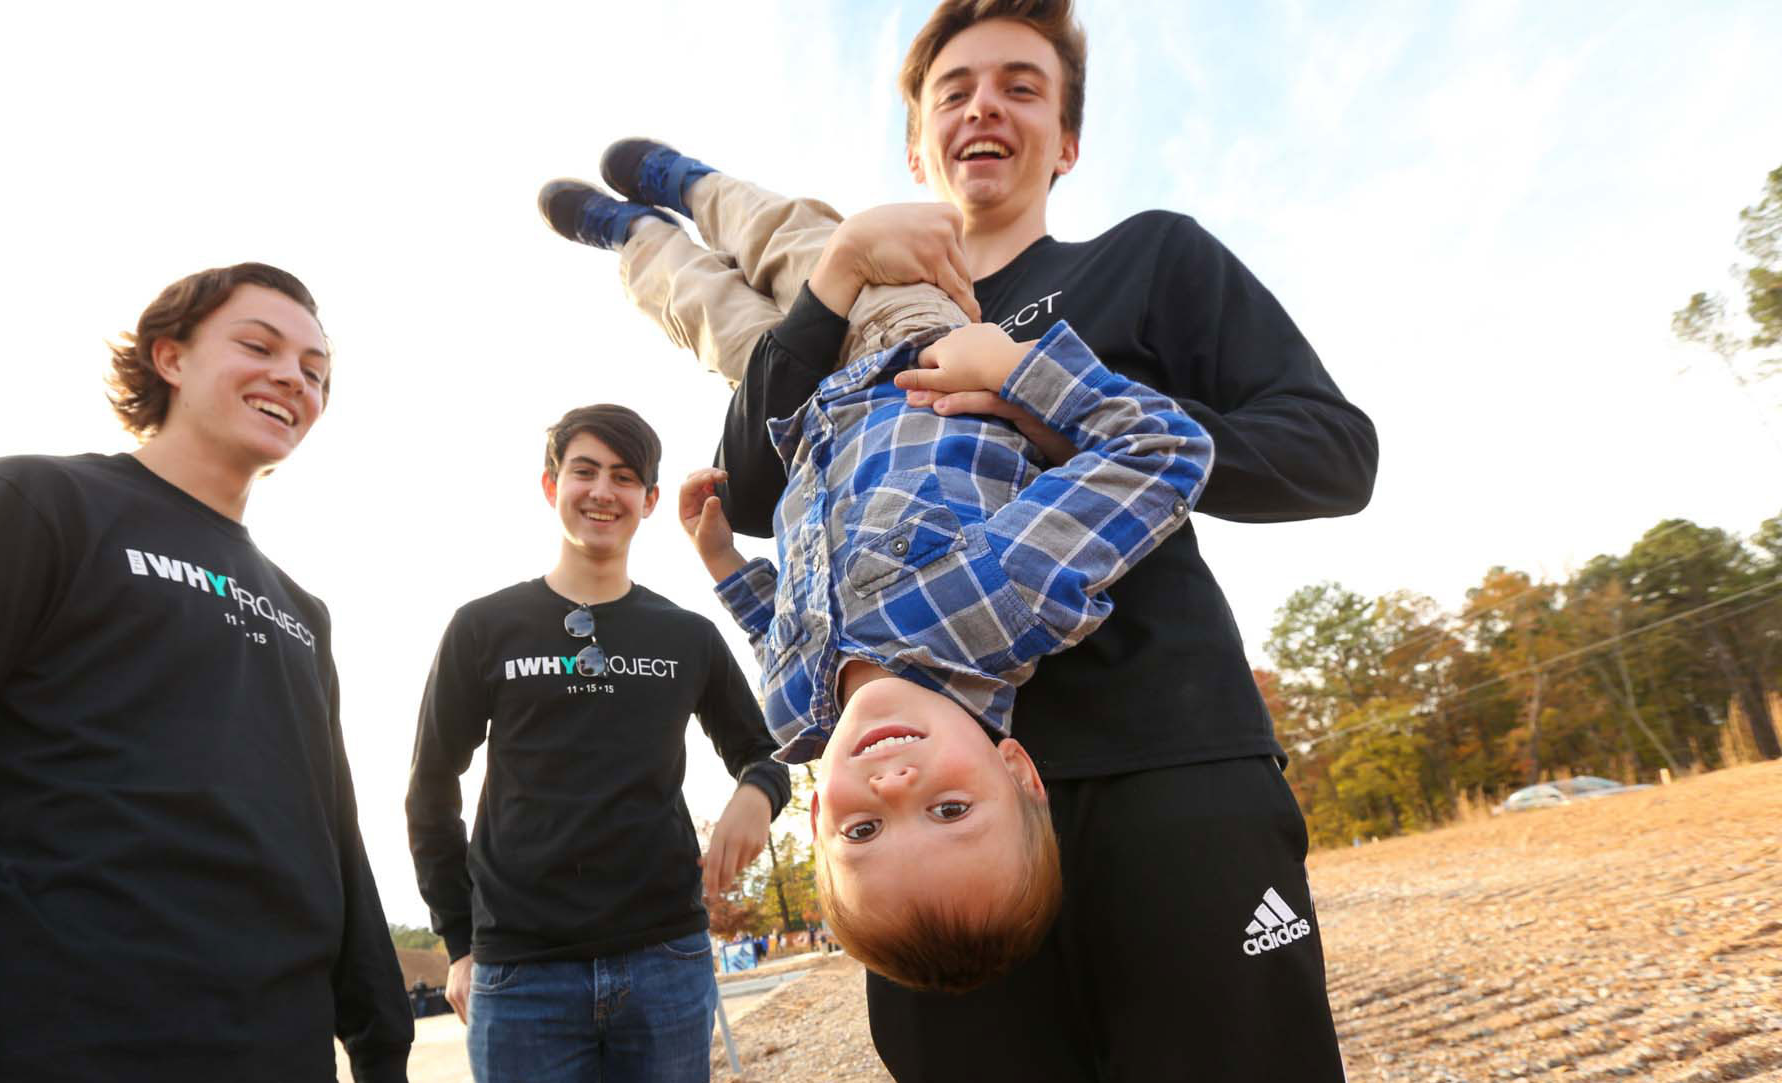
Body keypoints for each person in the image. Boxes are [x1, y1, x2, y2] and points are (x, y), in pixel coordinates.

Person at [647, 0, 1381, 1077]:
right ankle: (646, 216)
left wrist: (1064, 404)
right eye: (954, 91)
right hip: (937, 851)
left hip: (1167, 775)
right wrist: (837, 273)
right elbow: (756, 490)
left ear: (1066, 143)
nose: (983, 105)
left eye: (1020, 86)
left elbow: (1329, 454)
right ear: (916, 145)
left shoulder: (1149, 259)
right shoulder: (852, 324)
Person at [541, 139, 1215, 993]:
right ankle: (692, 186)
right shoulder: (1001, 604)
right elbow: (1165, 452)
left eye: (865, 832)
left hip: (795, 424)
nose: (895, 784)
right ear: (1016, 772)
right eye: (948, 810)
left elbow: (771, 627)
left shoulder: (793, 718)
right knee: (791, 235)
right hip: (907, 346)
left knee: (703, 311)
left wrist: (721, 561)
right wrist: (1021, 374)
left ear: (819, 814)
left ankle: (632, 236)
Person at [0, 264, 413, 1082]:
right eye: (258, 345)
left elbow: (334, 842)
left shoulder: (300, 608)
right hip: (43, 1036)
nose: (291, 375)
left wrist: (379, 1044)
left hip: (269, 1047)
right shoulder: (39, 502)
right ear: (170, 357)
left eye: (315, 370)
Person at [405, 404, 789, 1083]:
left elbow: (768, 751)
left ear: (647, 501)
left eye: (623, 476)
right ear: (552, 486)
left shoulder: (687, 636)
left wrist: (756, 794)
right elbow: (431, 787)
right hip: (522, 975)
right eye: (583, 471)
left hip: (666, 961)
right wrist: (460, 941)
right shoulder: (483, 627)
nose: (602, 491)